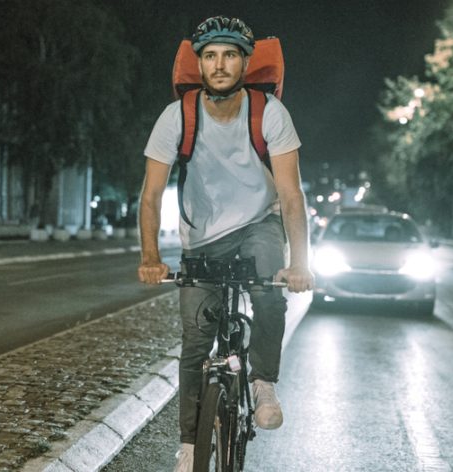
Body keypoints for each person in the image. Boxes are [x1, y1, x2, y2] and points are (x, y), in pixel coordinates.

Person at [135, 16, 315, 470]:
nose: (220, 64)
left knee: (269, 294)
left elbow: (291, 194)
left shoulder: (269, 112)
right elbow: (152, 194)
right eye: (211, 56)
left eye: (230, 55)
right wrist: (151, 257)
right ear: (199, 64)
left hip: (259, 224)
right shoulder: (177, 115)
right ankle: (190, 446)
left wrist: (299, 264)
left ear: (245, 62)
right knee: (195, 345)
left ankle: (263, 383)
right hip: (201, 238)